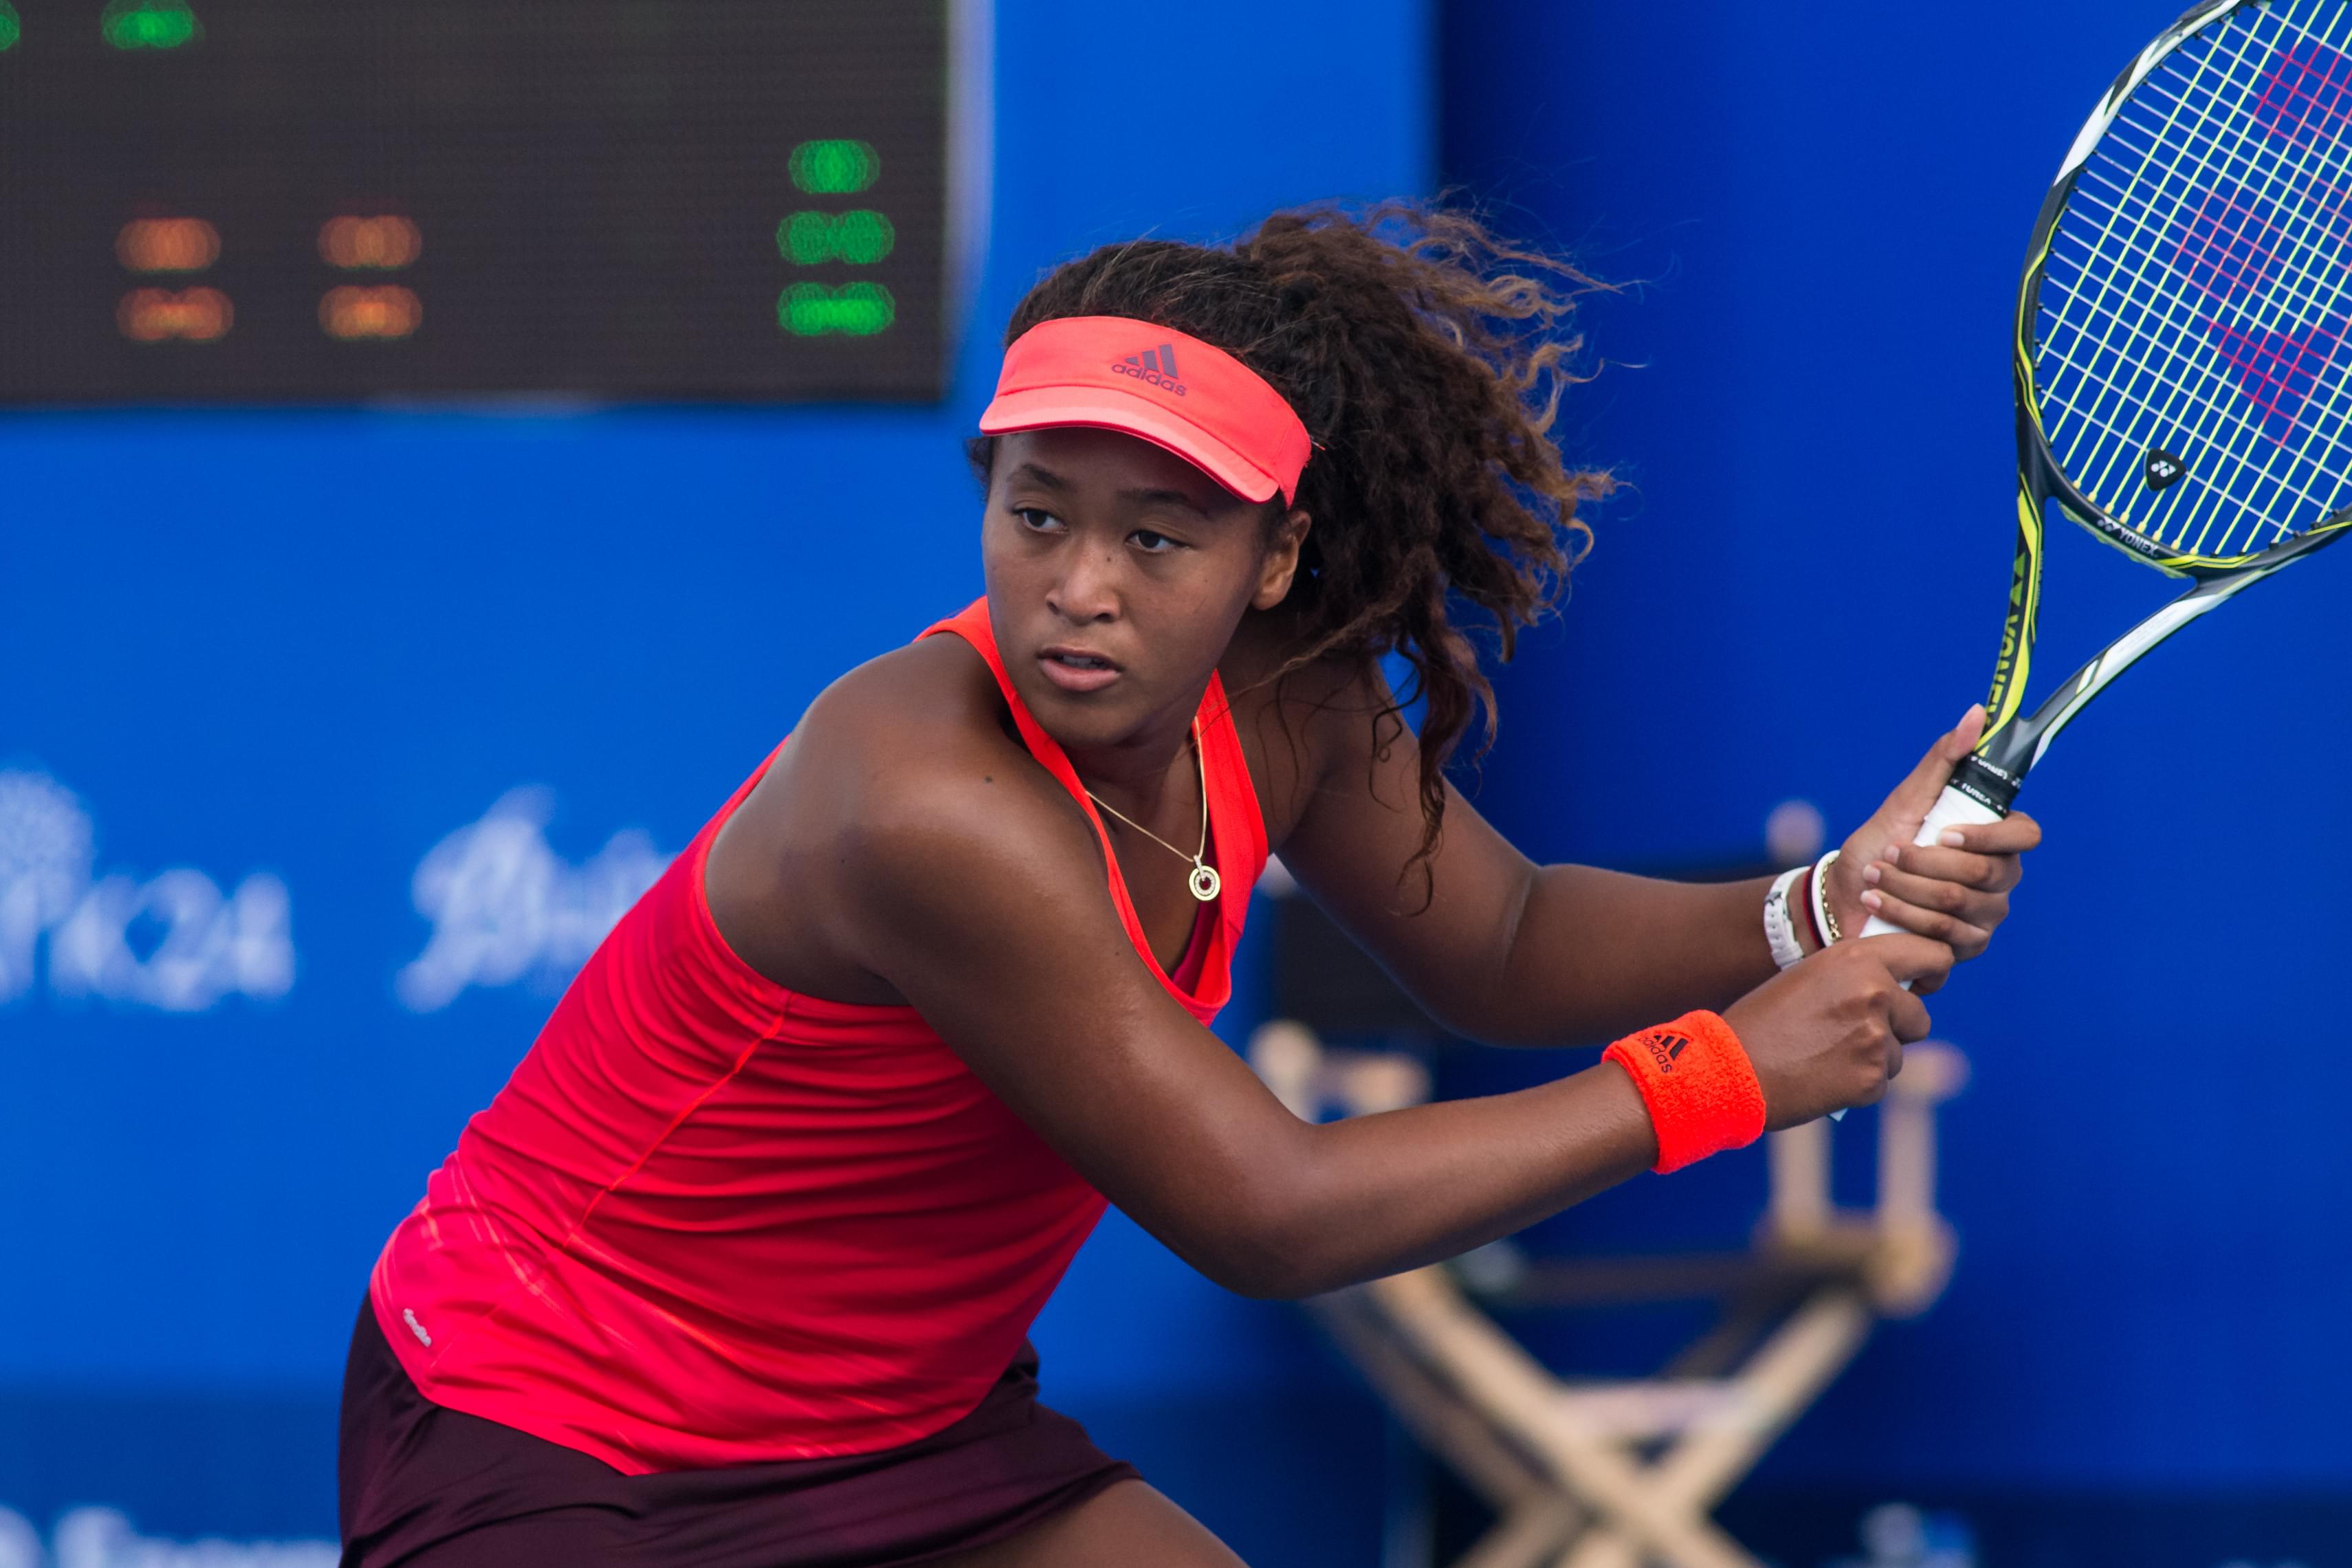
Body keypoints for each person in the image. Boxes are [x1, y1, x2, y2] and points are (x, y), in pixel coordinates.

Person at [338, 205, 2038, 1567]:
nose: (1082, 588)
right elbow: (1265, 1212)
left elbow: (1503, 940)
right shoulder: (923, 801)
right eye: (1039, 516)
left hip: (895, 1427)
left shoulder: (1292, 694)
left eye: (1158, 537)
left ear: (1272, 559)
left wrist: (1815, 908)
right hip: (554, 1425)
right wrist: (1725, 1073)